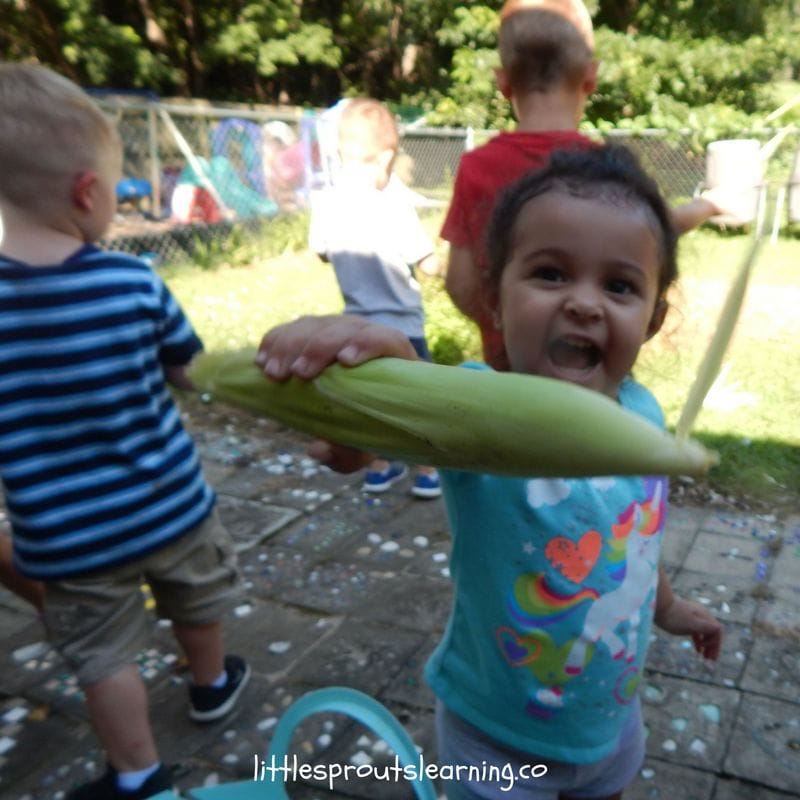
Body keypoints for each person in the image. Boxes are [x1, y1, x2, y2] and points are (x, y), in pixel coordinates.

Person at [258, 144, 724, 800]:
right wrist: (367, 385)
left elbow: (630, 538)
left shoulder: (643, 419)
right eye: (551, 273)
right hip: (496, 738)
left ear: (652, 320)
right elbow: (385, 427)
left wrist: (670, 608)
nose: (585, 303)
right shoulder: (471, 412)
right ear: (495, 303)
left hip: (611, 722)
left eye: (618, 285)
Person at [0, 63, 249, 800]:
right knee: (194, 598)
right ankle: (210, 684)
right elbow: (186, 371)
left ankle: (140, 775)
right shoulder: (133, 283)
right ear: (87, 192)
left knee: (102, 653)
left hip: (69, 537)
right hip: (172, 503)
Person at [442, 0, 738, 371]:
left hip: (506, 374)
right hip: (592, 374)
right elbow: (658, 228)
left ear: (503, 83)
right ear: (591, 77)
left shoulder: (476, 166)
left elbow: (459, 283)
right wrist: (709, 205)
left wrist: (511, 326)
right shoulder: (604, 171)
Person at [308, 97, 442, 499]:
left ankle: (381, 467)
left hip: (358, 329)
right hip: (403, 327)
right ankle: (428, 470)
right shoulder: (394, 206)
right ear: (386, 158)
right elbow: (428, 264)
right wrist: (441, 261)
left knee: (373, 402)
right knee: (418, 400)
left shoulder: (327, 202)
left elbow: (320, 251)